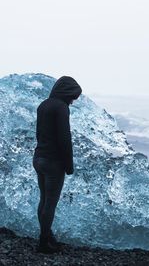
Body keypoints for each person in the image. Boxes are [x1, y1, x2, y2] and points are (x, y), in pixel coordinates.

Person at [32, 76, 82, 254]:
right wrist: (69, 165)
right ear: (66, 92)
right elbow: (64, 139)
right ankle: (43, 243)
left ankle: (47, 237)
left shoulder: (43, 105)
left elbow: (39, 133)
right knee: (50, 203)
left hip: (39, 158)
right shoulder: (61, 108)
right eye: (72, 97)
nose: (73, 101)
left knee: (44, 199)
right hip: (53, 162)